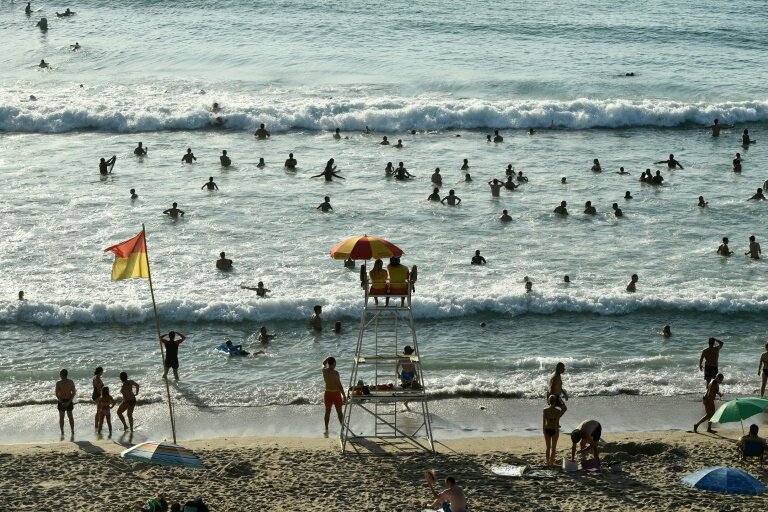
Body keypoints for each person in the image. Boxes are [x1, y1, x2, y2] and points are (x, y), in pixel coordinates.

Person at [322, 357, 346, 434]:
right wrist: (344, 396)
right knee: (339, 412)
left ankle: (326, 429)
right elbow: (339, 385)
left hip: (328, 393)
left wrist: (327, 359)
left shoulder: (324, 371)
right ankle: (342, 428)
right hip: (336, 394)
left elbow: (323, 364)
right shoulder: (336, 373)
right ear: (334, 363)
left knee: (327, 411)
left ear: (328, 363)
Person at [543, 395, 564, 466]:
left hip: (547, 429)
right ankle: (551, 462)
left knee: (548, 447)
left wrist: (544, 432)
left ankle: (547, 462)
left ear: (549, 401)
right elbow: (556, 423)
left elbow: (544, 423)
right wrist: (556, 430)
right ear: (555, 402)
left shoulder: (545, 410)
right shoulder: (558, 411)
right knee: (553, 448)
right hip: (554, 429)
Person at [55, 369, 76, 436]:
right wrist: (69, 402)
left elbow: (56, 394)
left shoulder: (58, 383)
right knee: (70, 417)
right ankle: (72, 431)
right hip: (69, 400)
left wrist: (61, 402)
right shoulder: (71, 382)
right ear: (67, 374)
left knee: (61, 418)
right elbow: (73, 393)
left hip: (61, 401)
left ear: (61, 374)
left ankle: (62, 432)